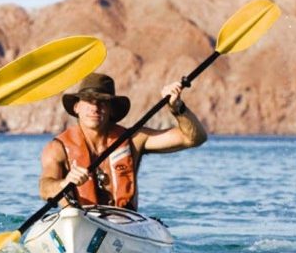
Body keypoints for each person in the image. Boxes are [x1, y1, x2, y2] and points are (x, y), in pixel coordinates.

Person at [39, 73, 208, 210]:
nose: (95, 107)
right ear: (76, 107)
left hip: (124, 224)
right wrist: (64, 183)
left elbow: (194, 138)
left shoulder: (134, 140)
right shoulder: (57, 148)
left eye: (102, 102)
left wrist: (177, 108)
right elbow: (44, 188)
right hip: (78, 222)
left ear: (111, 109)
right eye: (89, 100)